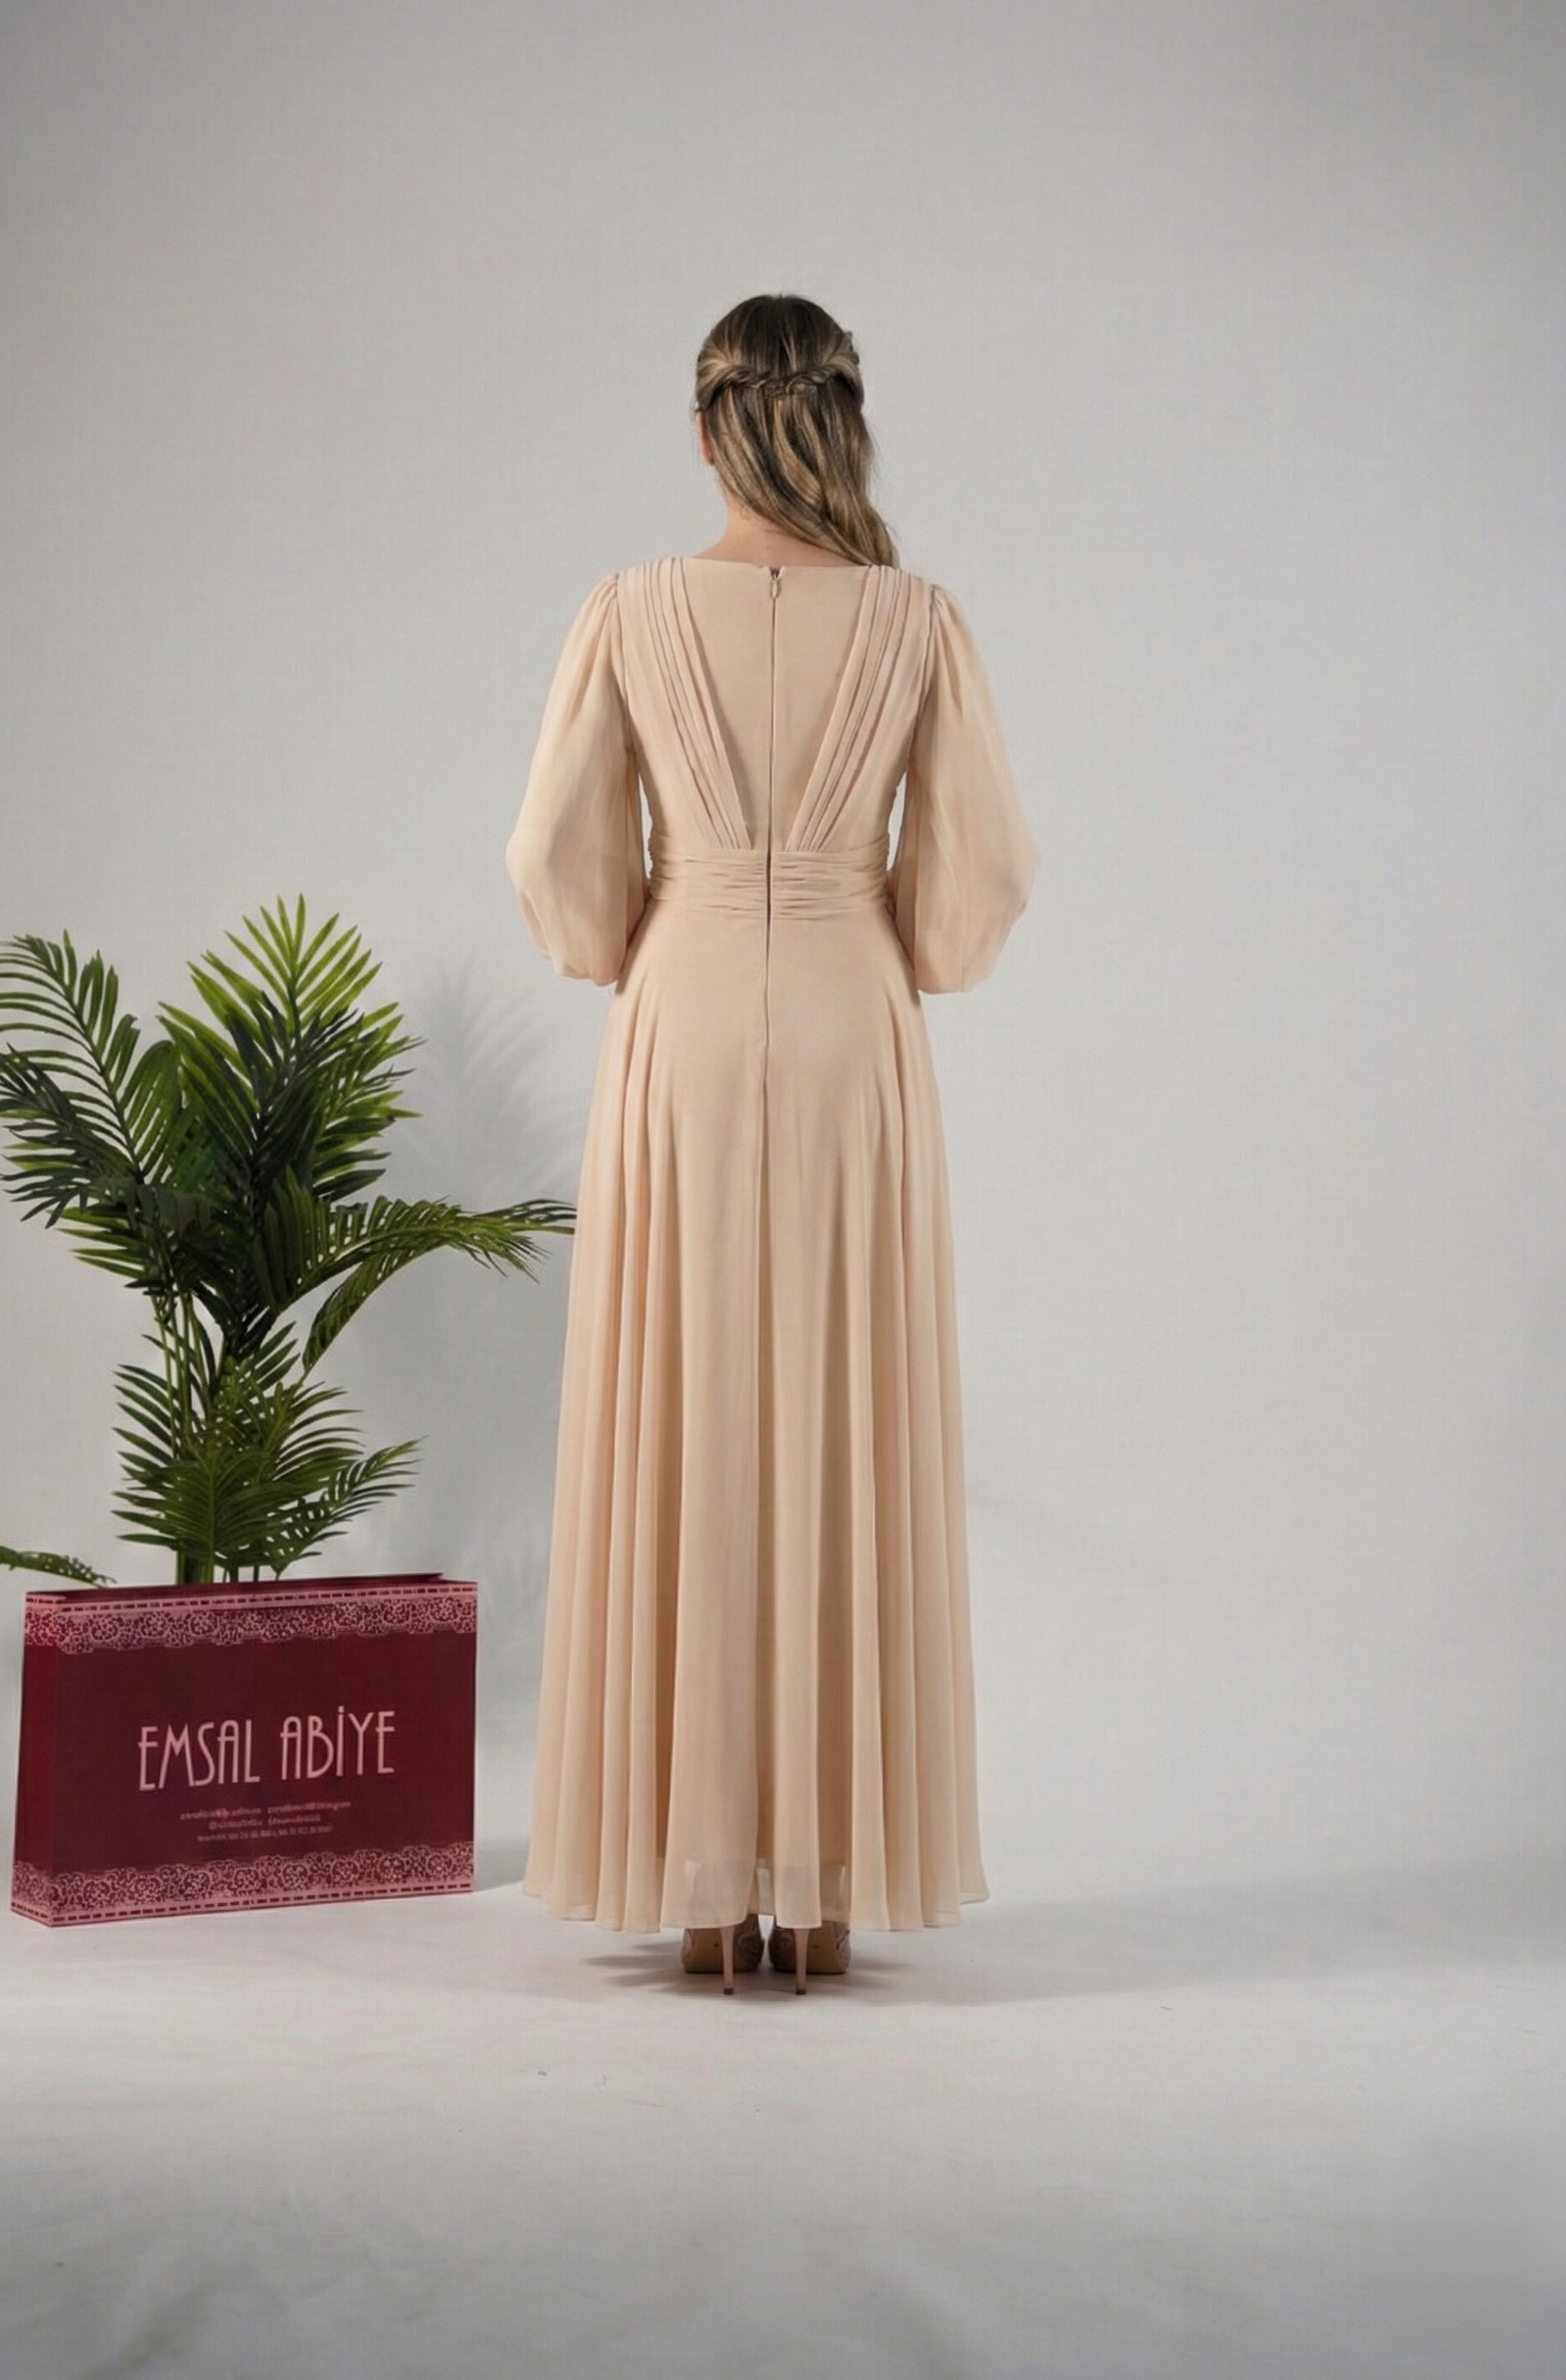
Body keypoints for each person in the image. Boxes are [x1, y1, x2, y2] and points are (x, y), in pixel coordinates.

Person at [504, 294, 1040, 1996]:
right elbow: (978, 884)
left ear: (703, 427)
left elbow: (556, 863)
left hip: (678, 1020)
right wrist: (889, 934)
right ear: (849, 419)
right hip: (848, 1019)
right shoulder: (920, 620)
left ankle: (697, 1881)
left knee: (685, 1404)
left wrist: (635, 935)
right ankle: (821, 1889)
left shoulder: (629, 610)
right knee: (837, 1402)